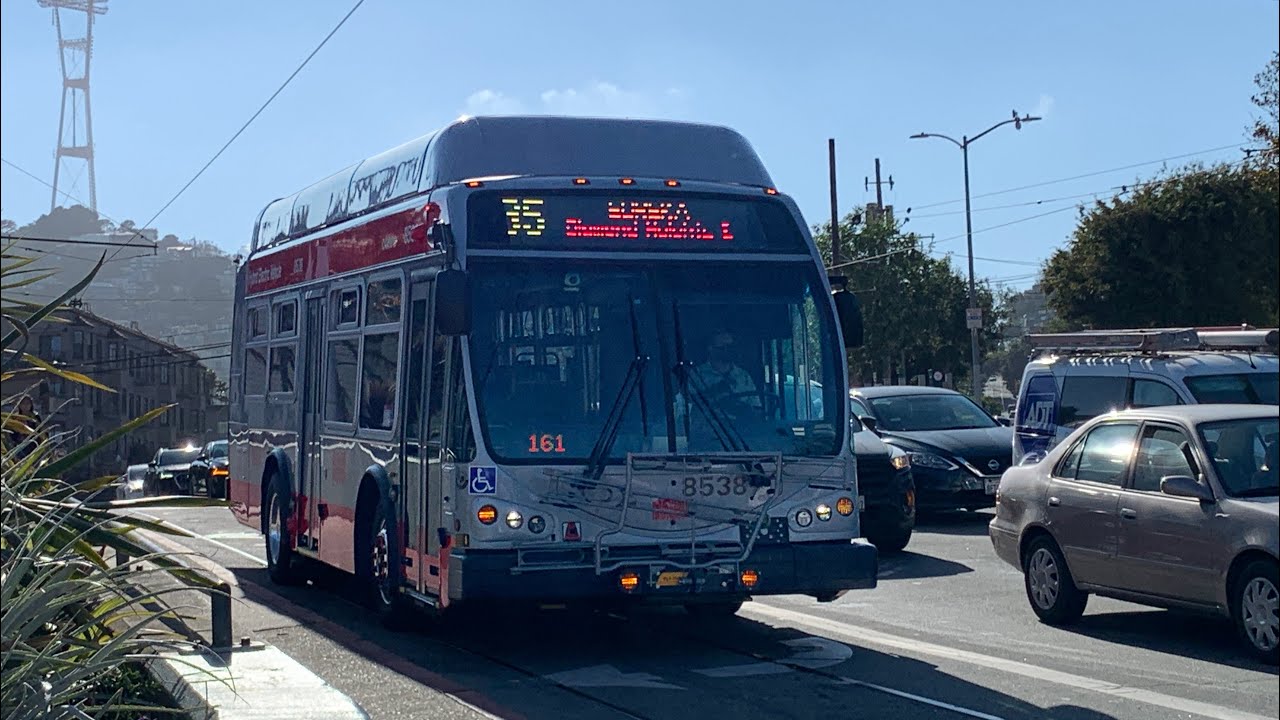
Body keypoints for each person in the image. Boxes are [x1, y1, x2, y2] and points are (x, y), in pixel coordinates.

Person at [690, 330, 762, 413]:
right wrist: (713, 392)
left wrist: (744, 409)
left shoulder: (743, 375)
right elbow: (687, 406)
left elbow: (756, 406)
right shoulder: (696, 375)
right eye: (723, 347)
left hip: (738, 425)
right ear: (710, 349)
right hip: (710, 425)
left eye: (730, 347)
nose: (727, 350)